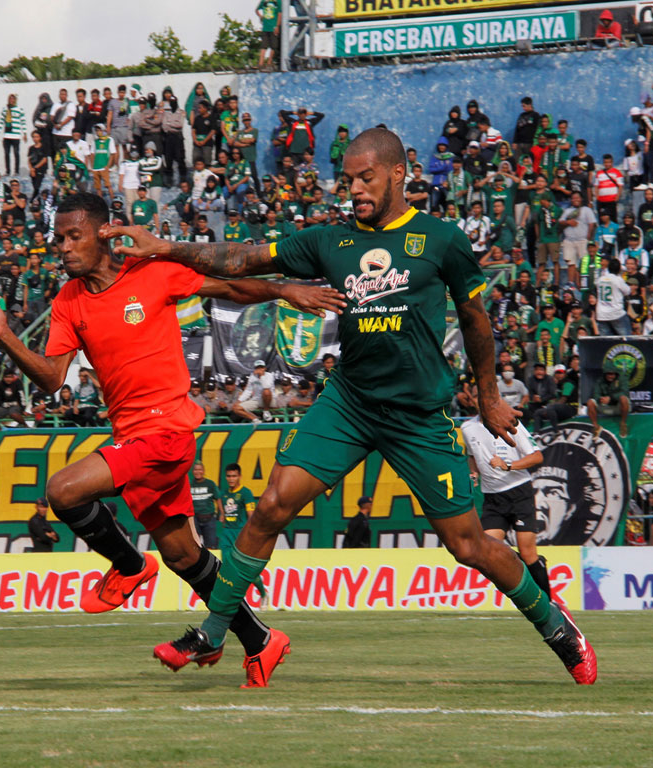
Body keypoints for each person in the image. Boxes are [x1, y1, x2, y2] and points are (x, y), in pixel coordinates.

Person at [111, 126, 596, 688]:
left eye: (366, 178)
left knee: (469, 545)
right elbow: (244, 258)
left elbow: (476, 320)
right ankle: (216, 632)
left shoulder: (440, 240)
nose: (356, 190)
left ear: (398, 175)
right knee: (271, 506)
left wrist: (488, 395)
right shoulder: (330, 240)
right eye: (348, 180)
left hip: (419, 414)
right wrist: (165, 247)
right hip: (349, 403)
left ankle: (559, 629)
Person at [0, 192, 341, 673]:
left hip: (165, 433)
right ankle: (261, 640)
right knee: (183, 555)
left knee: (62, 490)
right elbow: (52, 377)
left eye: (73, 236)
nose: (61, 247)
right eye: (57, 238)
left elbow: (228, 288)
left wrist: (284, 290)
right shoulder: (68, 301)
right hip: (132, 437)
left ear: (104, 234)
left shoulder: (152, 273)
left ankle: (127, 566)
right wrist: (5, 336)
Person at [462, 414, 550, 597]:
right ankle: (527, 571)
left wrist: (507, 465)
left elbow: (537, 456)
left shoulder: (508, 421)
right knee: (484, 551)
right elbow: (472, 454)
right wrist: (473, 472)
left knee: (528, 553)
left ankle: (550, 605)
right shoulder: (467, 427)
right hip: (493, 498)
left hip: (519, 493)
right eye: (475, 393)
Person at [219, 463, 266, 601]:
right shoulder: (224, 494)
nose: (231, 479)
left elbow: (251, 515)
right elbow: (223, 514)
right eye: (228, 476)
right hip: (227, 534)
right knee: (227, 569)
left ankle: (263, 593)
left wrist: (252, 534)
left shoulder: (245, 493)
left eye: (234, 476)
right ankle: (233, 599)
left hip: (240, 534)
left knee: (245, 570)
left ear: (239, 476)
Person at [586, 361, 631, 438]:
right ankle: (596, 427)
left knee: (623, 398)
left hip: (618, 407)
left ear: (616, 374)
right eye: (608, 374)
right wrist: (600, 399)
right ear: (605, 374)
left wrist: (611, 398)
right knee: (590, 402)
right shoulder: (600, 381)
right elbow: (595, 395)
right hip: (606, 407)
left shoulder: (622, 379)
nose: (611, 376)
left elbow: (625, 392)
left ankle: (623, 424)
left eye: (612, 374)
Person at [189, 460, 222, 549]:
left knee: (211, 545)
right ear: (193, 471)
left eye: (200, 470)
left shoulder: (210, 484)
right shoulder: (189, 484)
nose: (198, 472)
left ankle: (211, 562)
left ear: (203, 471)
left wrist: (222, 513)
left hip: (209, 519)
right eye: (195, 470)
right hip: (195, 518)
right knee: (195, 545)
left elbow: (218, 498)